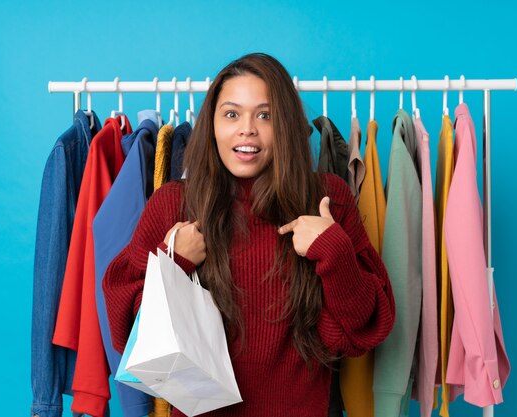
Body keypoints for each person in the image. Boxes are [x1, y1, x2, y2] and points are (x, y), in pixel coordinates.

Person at [102, 52, 396, 417]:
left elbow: (363, 331)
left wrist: (332, 251)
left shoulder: (326, 198)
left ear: (286, 124)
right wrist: (173, 262)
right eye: (231, 114)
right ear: (211, 124)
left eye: (265, 115)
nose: (247, 129)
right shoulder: (173, 205)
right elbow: (126, 331)